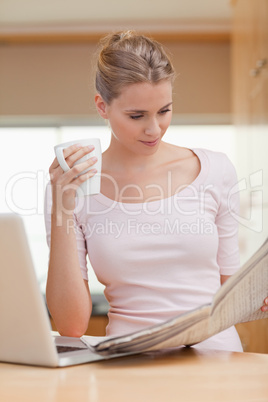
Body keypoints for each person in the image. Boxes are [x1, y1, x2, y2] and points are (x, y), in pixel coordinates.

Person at [45, 30, 268, 352]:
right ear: (102, 106)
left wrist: (255, 297)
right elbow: (70, 325)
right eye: (136, 116)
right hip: (128, 359)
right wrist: (61, 209)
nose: (154, 129)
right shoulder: (74, 186)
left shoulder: (215, 170)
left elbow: (228, 287)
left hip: (216, 356)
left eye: (164, 111)